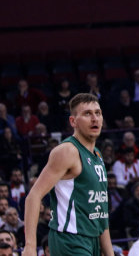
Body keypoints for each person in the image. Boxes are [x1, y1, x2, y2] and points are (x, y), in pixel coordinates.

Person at [22, 93, 114, 256]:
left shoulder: (97, 155)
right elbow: (34, 196)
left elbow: (101, 213)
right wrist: (30, 246)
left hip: (92, 240)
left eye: (97, 113)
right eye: (87, 114)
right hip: (70, 239)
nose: (94, 119)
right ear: (73, 121)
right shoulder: (67, 151)